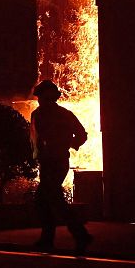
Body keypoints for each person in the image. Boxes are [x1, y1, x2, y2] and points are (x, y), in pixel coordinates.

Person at [30, 80, 93, 255]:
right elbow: (35, 139)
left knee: (51, 200)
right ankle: (53, 238)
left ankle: (79, 235)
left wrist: (66, 144)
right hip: (47, 162)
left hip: (57, 162)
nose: (42, 101)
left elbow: (81, 134)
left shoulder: (62, 114)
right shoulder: (39, 114)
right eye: (41, 98)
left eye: (45, 97)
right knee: (46, 200)